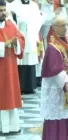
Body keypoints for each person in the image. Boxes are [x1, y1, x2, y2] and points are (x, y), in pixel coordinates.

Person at [40, 15, 68, 140]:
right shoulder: (52, 47)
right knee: (58, 115)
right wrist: (65, 84)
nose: (65, 28)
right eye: (62, 25)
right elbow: (54, 69)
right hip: (57, 86)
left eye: (66, 25)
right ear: (54, 27)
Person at [0, 0, 25, 133]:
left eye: (4, 10)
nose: (3, 13)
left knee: (11, 95)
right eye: (0, 10)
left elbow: (20, 38)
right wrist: (4, 45)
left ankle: (13, 126)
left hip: (10, 68)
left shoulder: (11, 25)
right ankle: (3, 127)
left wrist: (16, 43)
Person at [11, 0, 42, 94]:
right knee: (20, 61)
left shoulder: (34, 6)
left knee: (30, 61)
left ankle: (30, 86)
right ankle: (19, 87)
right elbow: (11, 21)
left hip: (31, 35)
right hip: (19, 34)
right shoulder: (13, 5)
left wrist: (32, 31)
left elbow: (38, 21)